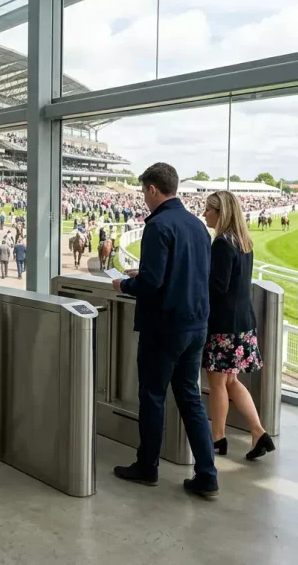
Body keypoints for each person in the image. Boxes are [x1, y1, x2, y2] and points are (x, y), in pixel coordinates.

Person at [110, 162, 218, 498]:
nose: (144, 198)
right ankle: (207, 474)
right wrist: (142, 273)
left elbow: (154, 283)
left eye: (144, 192)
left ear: (153, 189)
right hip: (196, 325)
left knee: (153, 398)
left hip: (164, 327)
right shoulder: (198, 226)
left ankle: (147, 466)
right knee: (191, 400)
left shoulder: (158, 226)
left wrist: (126, 284)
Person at [203, 191, 275, 460]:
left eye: (208, 210)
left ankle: (217, 438)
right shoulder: (244, 241)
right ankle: (258, 432)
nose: (204, 214)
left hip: (224, 325)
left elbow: (217, 287)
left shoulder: (222, 243)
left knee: (218, 382)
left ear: (220, 212)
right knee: (231, 381)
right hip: (243, 323)